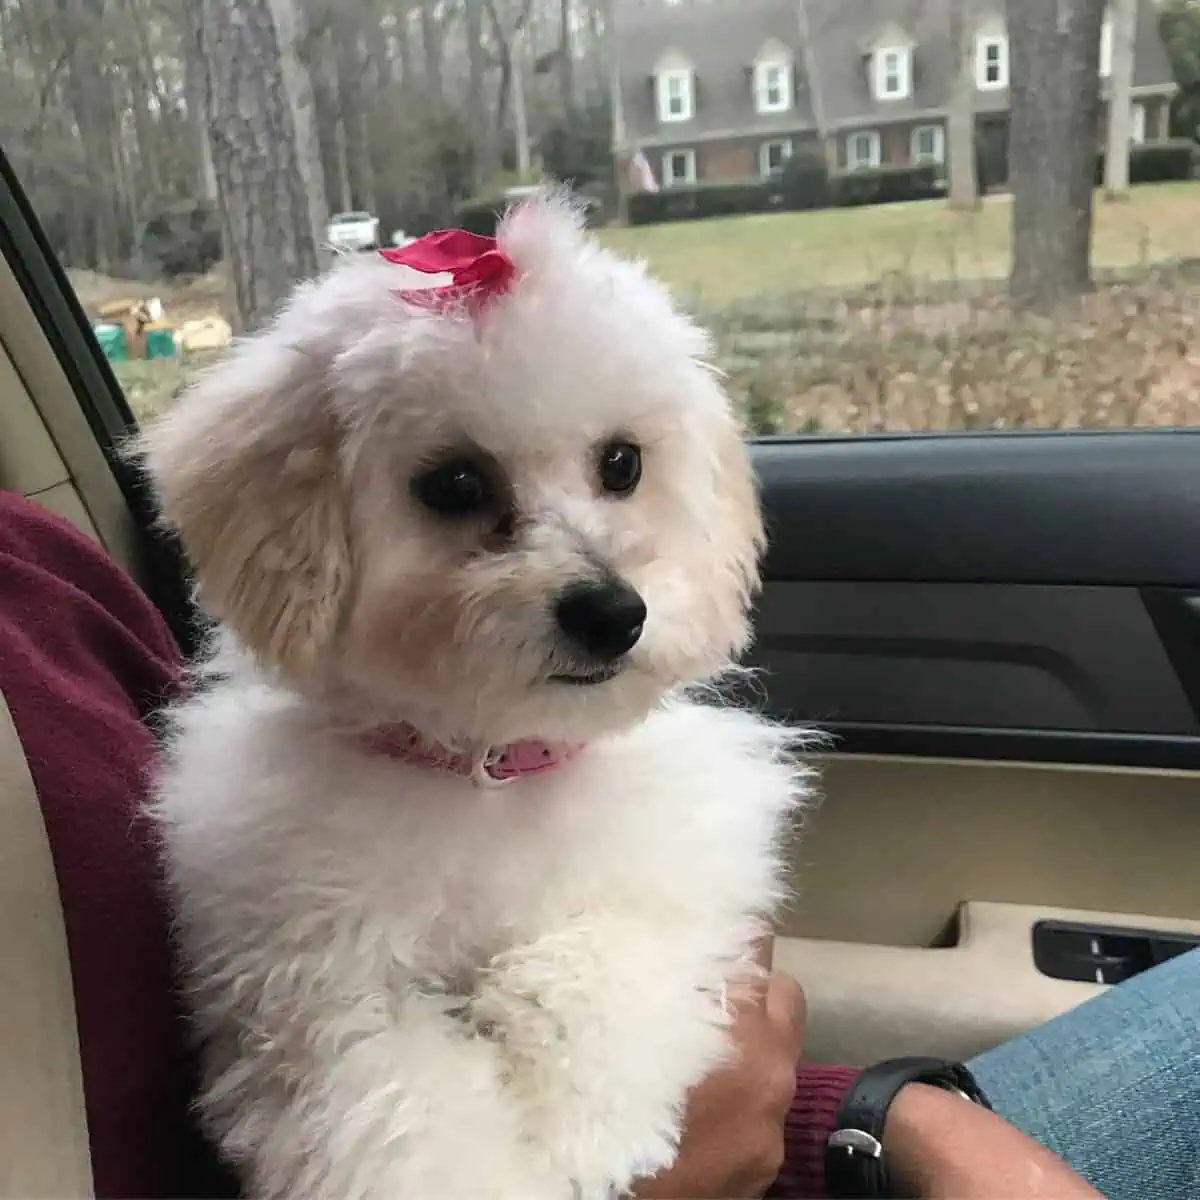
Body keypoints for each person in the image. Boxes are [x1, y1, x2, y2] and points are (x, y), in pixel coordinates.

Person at [2, 486, 1197, 1200]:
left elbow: (686, 1086)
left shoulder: (38, 579)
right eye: (460, 487)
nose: (596, 566)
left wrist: (865, 1120)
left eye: (619, 469)